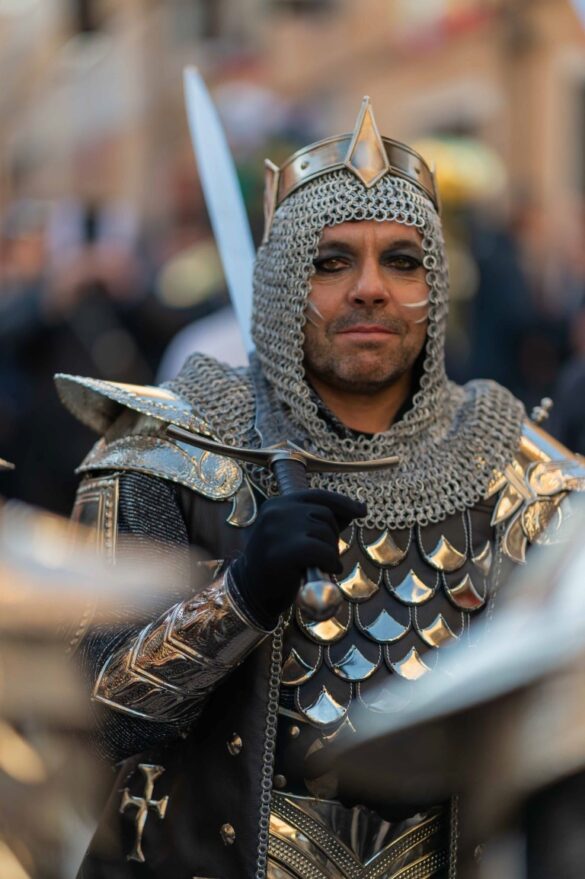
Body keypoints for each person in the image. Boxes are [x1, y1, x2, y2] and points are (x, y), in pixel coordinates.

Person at [56, 98, 585, 879]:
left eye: (401, 260)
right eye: (331, 261)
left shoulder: (525, 479)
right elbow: (81, 726)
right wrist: (237, 598)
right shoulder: (166, 455)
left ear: (436, 284)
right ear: (281, 282)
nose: (369, 288)